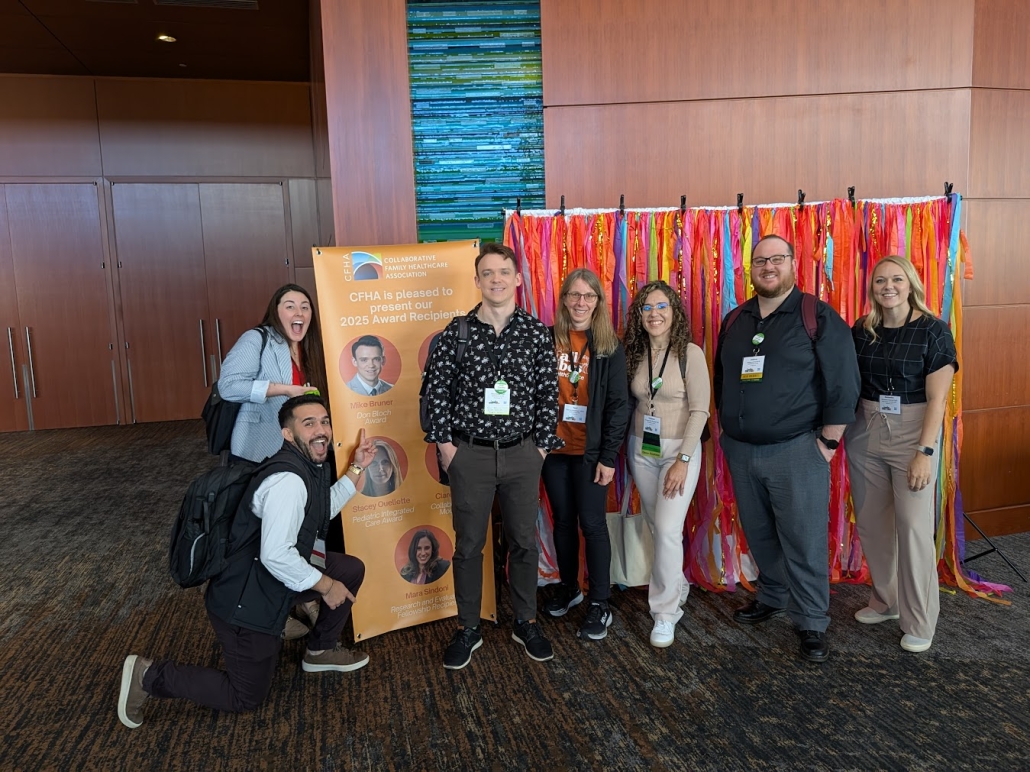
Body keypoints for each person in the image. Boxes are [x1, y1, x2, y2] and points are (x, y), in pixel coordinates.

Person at [117, 395, 374, 729]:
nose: (321, 430)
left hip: (269, 581)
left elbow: (318, 510)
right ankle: (148, 675)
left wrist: (356, 468)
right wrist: (327, 586)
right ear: (287, 433)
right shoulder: (288, 481)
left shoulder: (304, 466)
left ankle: (320, 651)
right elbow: (277, 555)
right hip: (245, 603)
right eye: (308, 423)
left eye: (324, 421)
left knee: (349, 569)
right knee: (245, 696)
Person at [714, 234, 860, 663]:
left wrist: (828, 441)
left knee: (803, 537)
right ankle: (773, 595)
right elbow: (723, 379)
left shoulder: (817, 316)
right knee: (759, 532)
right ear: (751, 269)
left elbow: (843, 381)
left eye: (777, 259)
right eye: (760, 261)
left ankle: (812, 620)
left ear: (793, 263)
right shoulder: (735, 319)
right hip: (741, 450)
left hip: (797, 449)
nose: (768, 267)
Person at [423, 242, 562, 670]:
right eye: (488, 273)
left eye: (504, 272)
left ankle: (525, 621)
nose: (496, 279)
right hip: (471, 456)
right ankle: (468, 627)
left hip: (523, 454)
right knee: (468, 546)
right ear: (477, 280)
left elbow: (548, 394)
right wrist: (447, 448)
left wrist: (540, 448)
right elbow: (435, 393)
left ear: (517, 279)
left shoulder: (536, 333)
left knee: (523, 542)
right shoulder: (457, 332)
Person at [845, 256, 957, 654]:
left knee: (912, 527)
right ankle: (886, 601)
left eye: (896, 279)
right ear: (872, 287)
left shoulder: (933, 331)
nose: (888, 287)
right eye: (880, 281)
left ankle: (920, 620)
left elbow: (938, 400)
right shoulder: (862, 330)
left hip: (913, 432)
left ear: (911, 285)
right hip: (865, 429)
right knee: (872, 524)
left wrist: (925, 451)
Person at [541, 269, 629, 641]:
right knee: (562, 522)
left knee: (592, 524)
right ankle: (569, 587)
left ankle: (600, 602)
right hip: (554, 451)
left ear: (597, 302)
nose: (581, 302)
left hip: (591, 455)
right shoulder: (546, 339)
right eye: (574, 295)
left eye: (588, 296)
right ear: (564, 299)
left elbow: (619, 406)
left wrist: (608, 457)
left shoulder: (609, 347)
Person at [622, 280, 710, 648]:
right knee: (655, 525)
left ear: (674, 312)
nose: (654, 313)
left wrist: (683, 461)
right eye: (647, 307)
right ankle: (677, 584)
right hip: (642, 449)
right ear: (639, 316)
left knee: (668, 527)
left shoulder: (690, 353)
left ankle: (665, 613)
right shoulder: (635, 352)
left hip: (679, 452)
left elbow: (701, 410)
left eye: (661, 306)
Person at [218, 284, 329, 464]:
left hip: (303, 448)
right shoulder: (255, 338)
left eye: (305, 307)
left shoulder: (311, 347)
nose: (299, 313)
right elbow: (228, 387)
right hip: (259, 448)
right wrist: (284, 390)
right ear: (276, 312)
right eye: (290, 306)